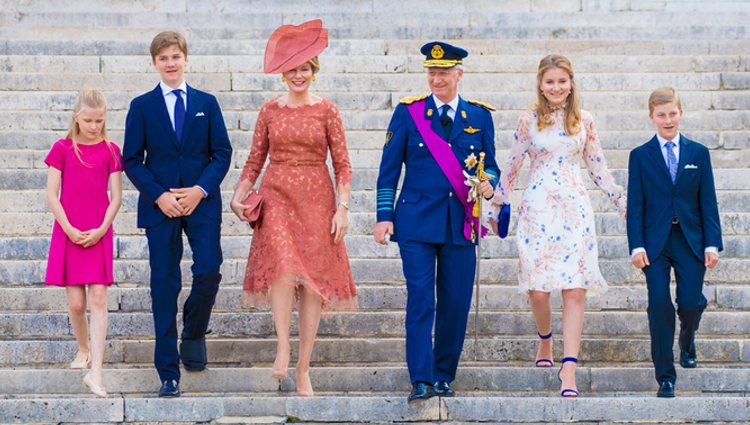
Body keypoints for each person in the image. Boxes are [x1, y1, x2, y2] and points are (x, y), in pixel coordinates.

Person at [230, 19, 356, 397]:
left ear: (313, 72)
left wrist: (343, 207)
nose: (298, 75)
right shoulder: (269, 110)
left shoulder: (328, 110)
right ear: (283, 74)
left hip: (318, 199)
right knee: (284, 268)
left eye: (304, 69)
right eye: (292, 70)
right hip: (278, 196)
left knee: (314, 285)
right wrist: (238, 194)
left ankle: (303, 369)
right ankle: (283, 346)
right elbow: (254, 160)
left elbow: (343, 163)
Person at [489, 54, 626, 398]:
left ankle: (569, 368)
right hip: (537, 210)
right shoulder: (528, 121)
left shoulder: (584, 121)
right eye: (550, 82)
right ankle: (546, 338)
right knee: (538, 290)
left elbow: (597, 167)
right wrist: (496, 205)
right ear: (540, 84)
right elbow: (512, 166)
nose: (556, 87)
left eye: (562, 81)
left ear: (571, 83)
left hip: (574, 212)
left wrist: (620, 199)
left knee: (575, 290)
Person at [373, 41, 499, 403]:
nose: (437, 78)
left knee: (456, 301)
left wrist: (488, 182)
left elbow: (490, 163)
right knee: (421, 299)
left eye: (444, 72)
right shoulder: (409, 113)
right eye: (432, 72)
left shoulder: (478, 116)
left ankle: (444, 374)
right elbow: (388, 171)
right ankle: (422, 378)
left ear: (459, 74)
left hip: (460, 221)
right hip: (415, 222)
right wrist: (384, 217)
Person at [123, 31, 232, 398]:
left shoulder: (207, 102)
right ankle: (168, 372)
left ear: (186, 59)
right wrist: (158, 196)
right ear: (154, 63)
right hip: (162, 207)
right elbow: (131, 160)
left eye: (176, 56)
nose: (170, 63)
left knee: (209, 269)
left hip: (201, 203)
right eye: (163, 58)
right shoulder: (142, 106)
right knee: (164, 285)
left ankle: (195, 331)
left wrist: (200, 191)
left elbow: (221, 152)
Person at [626, 87, 722, 398]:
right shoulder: (640, 156)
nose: (667, 120)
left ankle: (688, 339)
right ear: (651, 117)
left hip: (690, 240)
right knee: (658, 305)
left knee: (691, 302)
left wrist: (712, 244)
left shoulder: (698, 153)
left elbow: (708, 202)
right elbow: (636, 205)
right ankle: (665, 376)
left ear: (680, 113)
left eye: (672, 113)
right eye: (661, 115)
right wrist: (636, 246)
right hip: (655, 243)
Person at [45, 89, 123, 398]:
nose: (93, 126)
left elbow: (116, 195)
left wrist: (103, 227)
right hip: (69, 230)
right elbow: (52, 194)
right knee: (77, 303)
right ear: (76, 117)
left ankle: (97, 373)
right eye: (88, 120)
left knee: (99, 298)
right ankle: (83, 347)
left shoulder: (111, 150)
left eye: (99, 120)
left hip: (99, 230)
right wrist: (69, 228)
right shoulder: (62, 148)